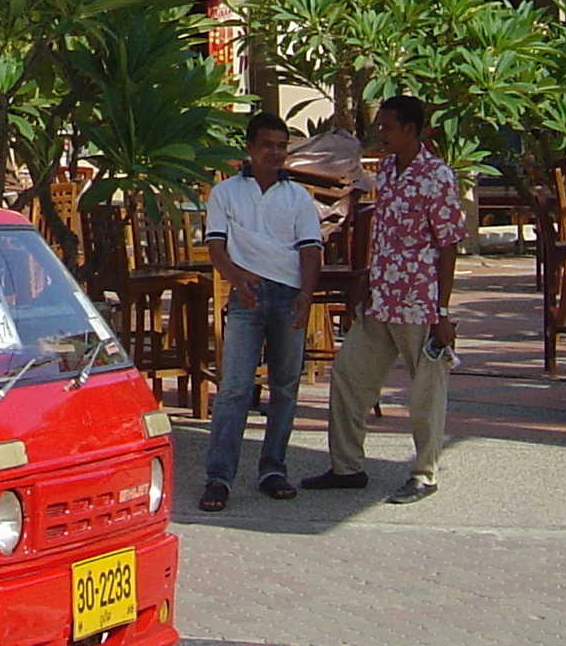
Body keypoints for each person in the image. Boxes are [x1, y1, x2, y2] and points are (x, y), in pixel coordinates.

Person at [304, 93, 468, 506]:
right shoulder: (390, 170)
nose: (382, 134)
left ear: (411, 130)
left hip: (420, 301)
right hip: (382, 298)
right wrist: (368, 280)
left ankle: (424, 473)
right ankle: (346, 466)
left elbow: (448, 245)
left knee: (426, 390)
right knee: (348, 374)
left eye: (389, 127)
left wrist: (442, 312)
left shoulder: (437, 176)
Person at [198, 111, 324, 511]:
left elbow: (311, 248)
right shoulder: (226, 194)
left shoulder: (298, 197)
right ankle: (219, 477)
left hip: (288, 295)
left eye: (281, 145)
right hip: (247, 295)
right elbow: (216, 247)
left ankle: (273, 468)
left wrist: (306, 293)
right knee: (234, 388)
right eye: (267, 145)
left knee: (285, 386)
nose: (275, 153)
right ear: (249, 148)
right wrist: (236, 279)